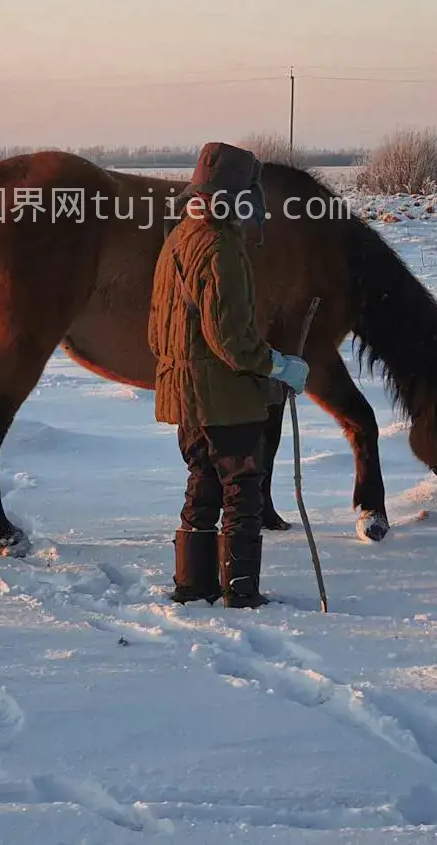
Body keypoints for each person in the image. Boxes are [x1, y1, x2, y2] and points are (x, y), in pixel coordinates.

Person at [148, 141, 309, 608]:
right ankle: (241, 593)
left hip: (186, 395)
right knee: (242, 490)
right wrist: (279, 366)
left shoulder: (177, 238)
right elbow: (233, 341)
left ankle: (193, 584)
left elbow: (157, 331)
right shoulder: (221, 248)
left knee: (202, 481)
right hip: (226, 397)